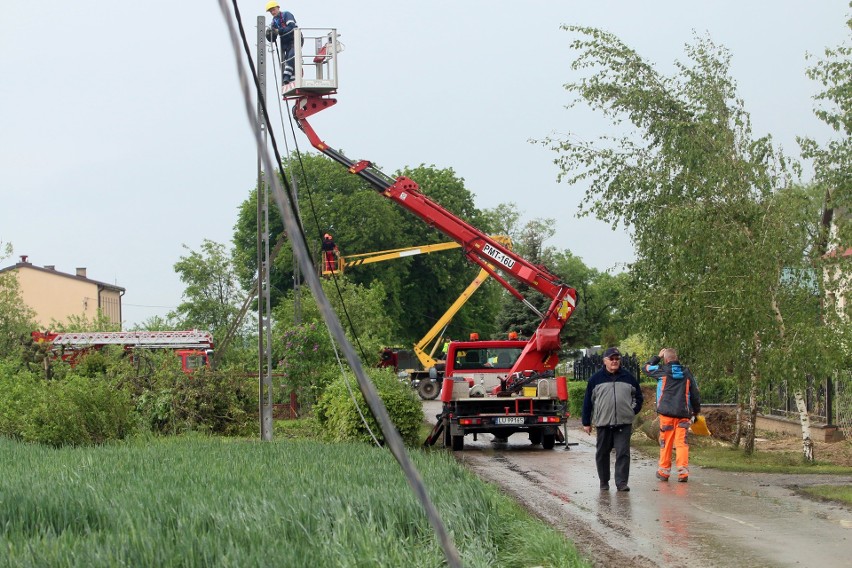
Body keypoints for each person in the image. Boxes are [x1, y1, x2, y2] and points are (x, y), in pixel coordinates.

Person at [581, 347, 644, 492]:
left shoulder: (628, 377)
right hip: (603, 422)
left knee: (623, 453)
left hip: (624, 422)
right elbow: (588, 402)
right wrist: (586, 422)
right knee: (602, 453)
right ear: (605, 361)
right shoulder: (595, 379)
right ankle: (604, 482)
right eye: (612, 359)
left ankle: (621, 482)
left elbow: (638, 397)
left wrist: (631, 411)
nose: (615, 361)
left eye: (617, 359)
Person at [643, 348, 701, 483]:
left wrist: (657, 357)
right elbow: (695, 394)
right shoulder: (687, 373)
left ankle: (663, 472)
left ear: (666, 359)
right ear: (676, 358)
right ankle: (683, 473)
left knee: (666, 443)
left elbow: (645, 368)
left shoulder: (662, 370)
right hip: (683, 415)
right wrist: (696, 411)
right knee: (682, 443)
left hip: (667, 414)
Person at [265, 2, 298, 86]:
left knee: (291, 56)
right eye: (271, 11)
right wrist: (270, 35)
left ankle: (286, 76)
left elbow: (291, 26)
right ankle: (292, 79)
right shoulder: (274, 22)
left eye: (273, 9)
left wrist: (278, 31)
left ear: (278, 8)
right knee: (288, 59)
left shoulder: (286, 15)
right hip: (285, 43)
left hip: (295, 39)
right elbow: (274, 37)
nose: (272, 12)